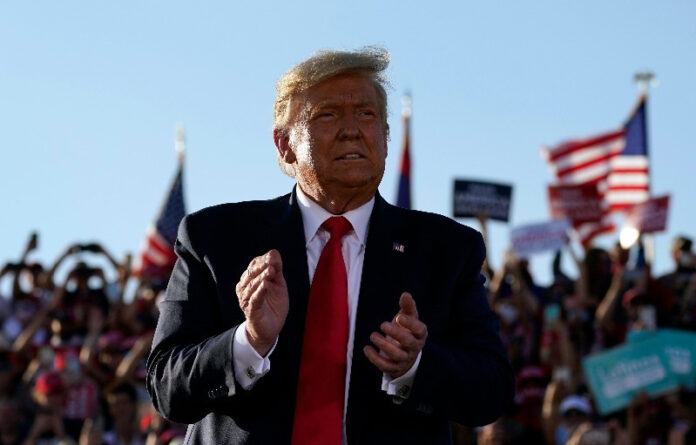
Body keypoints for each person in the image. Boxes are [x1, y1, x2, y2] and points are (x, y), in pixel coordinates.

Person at [146, 47, 514, 444]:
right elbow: (167, 387)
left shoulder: (447, 250)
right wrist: (249, 342)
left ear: (386, 140)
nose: (352, 128)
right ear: (284, 144)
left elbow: (491, 390)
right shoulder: (215, 239)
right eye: (328, 114)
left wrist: (415, 367)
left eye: (367, 114)